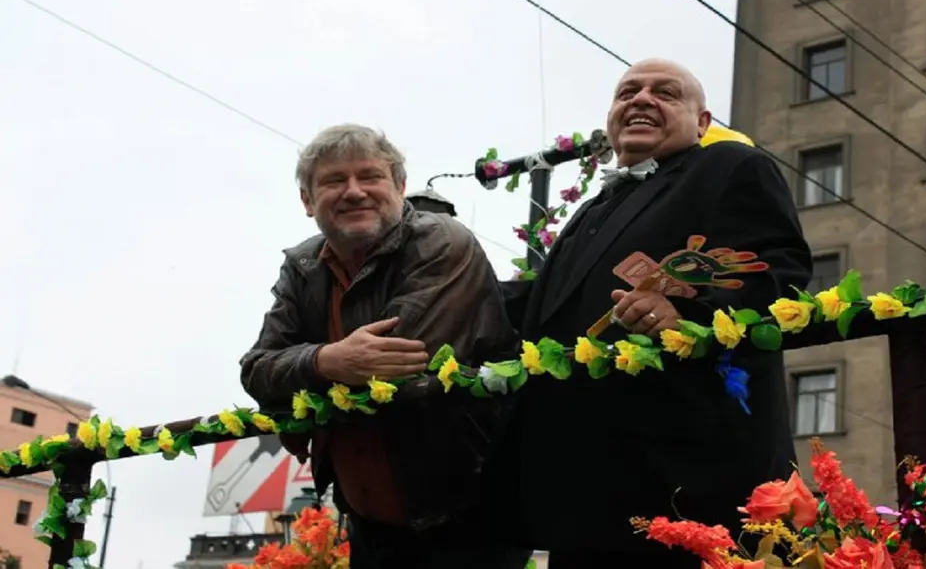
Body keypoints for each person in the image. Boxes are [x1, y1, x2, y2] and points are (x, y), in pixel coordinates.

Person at [498, 59, 813, 568]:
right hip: (582, 494)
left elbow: (781, 271)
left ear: (703, 123)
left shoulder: (728, 166)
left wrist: (689, 316)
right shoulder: (598, 205)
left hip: (684, 488)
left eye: (665, 93)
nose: (641, 99)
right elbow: (543, 307)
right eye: (628, 92)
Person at [240, 124, 532, 569]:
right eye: (334, 181)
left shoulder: (442, 241)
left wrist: (306, 372)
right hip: (370, 524)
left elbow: (399, 364)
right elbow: (256, 370)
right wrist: (327, 360)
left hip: (467, 517)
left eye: (370, 177)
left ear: (400, 187)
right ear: (307, 200)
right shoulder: (303, 266)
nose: (354, 192)